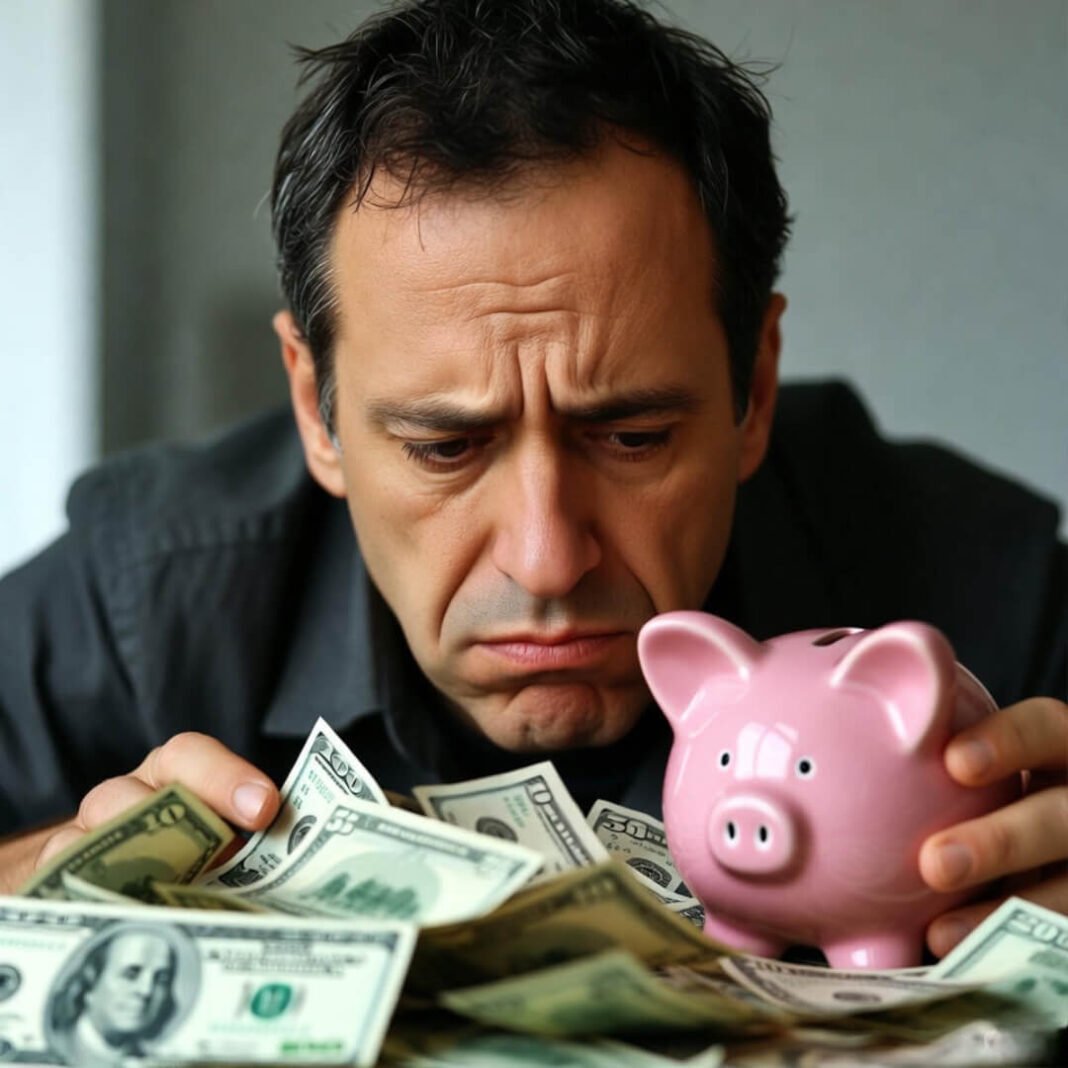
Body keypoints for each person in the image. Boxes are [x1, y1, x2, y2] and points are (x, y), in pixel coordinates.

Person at [0, 0, 1064, 964]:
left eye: (634, 436)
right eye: (444, 448)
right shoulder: (147, 595)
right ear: (313, 406)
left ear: (753, 389)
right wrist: (29, 894)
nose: (547, 557)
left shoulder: (991, 596)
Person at [47, 925, 184, 1066]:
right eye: (130, 974)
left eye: (162, 980)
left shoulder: (154, 1060)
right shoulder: (59, 1046)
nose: (146, 990)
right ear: (91, 982)